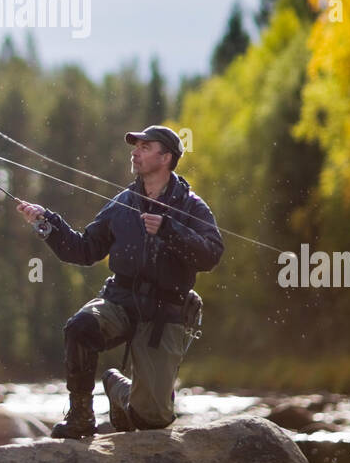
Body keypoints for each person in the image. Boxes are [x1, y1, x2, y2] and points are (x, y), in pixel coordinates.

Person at [16, 126, 224, 439]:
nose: (135, 152)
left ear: (166, 157)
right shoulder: (122, 203)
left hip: (164, 312)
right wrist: (47, 222)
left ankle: (119, 389)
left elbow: (211, 255)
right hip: (120, 299)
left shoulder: (193, 207)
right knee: (80, 327)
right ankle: (81, 416)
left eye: (145, 146)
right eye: (135, 146)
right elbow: (84, 250)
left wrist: (169, 230)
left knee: (151, 420)